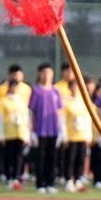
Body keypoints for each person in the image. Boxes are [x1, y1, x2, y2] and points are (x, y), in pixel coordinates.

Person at [28, 63, 63, 193]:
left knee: (51, 158)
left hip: (53, 129)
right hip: (40, 129)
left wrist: (60, 130)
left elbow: (59, 112)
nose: (47, 75)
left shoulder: (55, 91)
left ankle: (50, 183)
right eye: (44, 73)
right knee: (40, 158)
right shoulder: (35, 90)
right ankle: (40, 184)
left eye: (49, 73)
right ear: (39, 74)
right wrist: (31, 131)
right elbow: (32, 111)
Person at [0, 77, 31, 186]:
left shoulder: (22, 100)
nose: (14, 89)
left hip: (19, 132)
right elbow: (0, 118)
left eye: (16, 86)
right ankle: (8, 177)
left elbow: (26, 117)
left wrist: (26, 134)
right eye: (12, 86)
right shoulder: (4, 100)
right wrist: (1, 134)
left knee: (19, 156)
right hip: (8, 132)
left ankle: (17, 176)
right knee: (8, 156)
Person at [61, 78, 92, 190]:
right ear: (69, 87)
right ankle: (69, 180)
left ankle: (78, 178)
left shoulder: (83, 100)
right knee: (70, 158)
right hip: (71, 135)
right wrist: (64, 135)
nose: (75, 88)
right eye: (73, 86)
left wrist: (89, 135)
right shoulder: (65, 101)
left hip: (82, 135)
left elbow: (87, 118)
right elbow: (63, 119)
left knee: (81, 158)